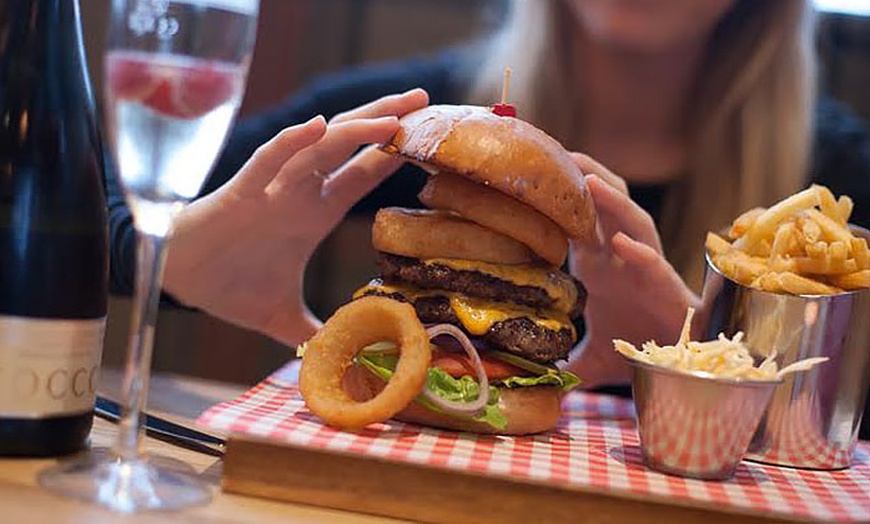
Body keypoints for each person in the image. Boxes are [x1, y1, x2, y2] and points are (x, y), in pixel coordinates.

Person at [108, 0, 870, 404]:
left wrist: (707, 379)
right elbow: (79, 192)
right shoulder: (423, 122)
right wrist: (159, 252)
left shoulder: (838, 177)